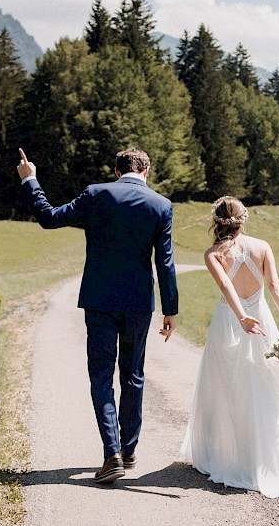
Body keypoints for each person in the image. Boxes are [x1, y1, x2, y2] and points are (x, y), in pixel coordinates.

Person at [18, 147, 178, 483]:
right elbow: (165, 262)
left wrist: (30, 180)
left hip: (100, 300)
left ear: (117, 170)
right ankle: (129, 449)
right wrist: (171, 309)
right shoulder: (161, 205)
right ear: (146, 170)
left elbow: (49, 218)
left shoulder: (96, 194)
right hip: (139, 304)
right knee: (133, 374)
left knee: (102, 376)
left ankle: (112, 454)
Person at [181, 196, 279, 498]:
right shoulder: (262, 247)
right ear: (243, 219)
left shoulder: (213, 254)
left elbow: (226, 287)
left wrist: (241, 317)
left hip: (231, 320)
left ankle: (228, 456)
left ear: (217, 220)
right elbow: (275, 286)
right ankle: (264, 456)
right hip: (261, 318)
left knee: (225, 387)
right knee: (267, 385)